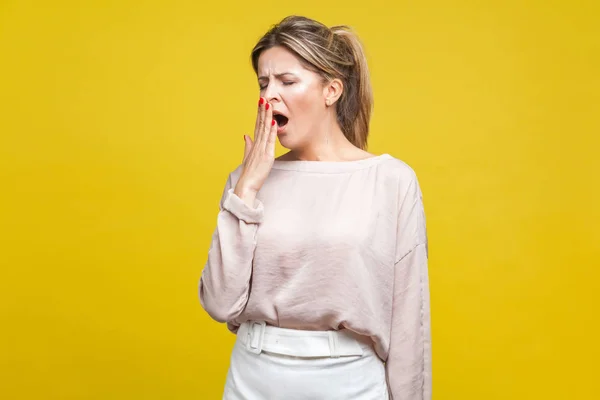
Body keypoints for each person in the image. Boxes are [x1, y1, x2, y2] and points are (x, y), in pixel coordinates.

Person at [198, 15, 431, 400]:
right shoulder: (246, 181)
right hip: (253, 378)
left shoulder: (390, 181)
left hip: (351, 383)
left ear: (332, 90)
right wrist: (247, 191)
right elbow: (220, 302)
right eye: (263, 82)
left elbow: (409, 323)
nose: (269, 95)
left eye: (287, 81)